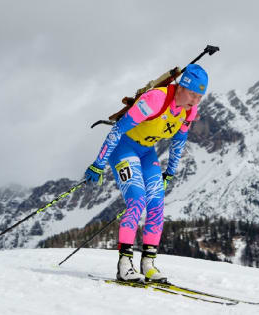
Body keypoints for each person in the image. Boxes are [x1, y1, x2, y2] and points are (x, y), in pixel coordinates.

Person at [84, 64, 208, 282]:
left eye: (200, 97)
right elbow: (118, 129)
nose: (195, 101)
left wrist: (169, 173)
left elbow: (178, 143)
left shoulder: (190, 110)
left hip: (146, 152)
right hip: (124, 148)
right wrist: (98, 162)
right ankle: (124, 264)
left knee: (157, 203)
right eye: (192, 94)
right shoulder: (155, 99)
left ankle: (148, 264)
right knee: (137, 200)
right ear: (181, 87)